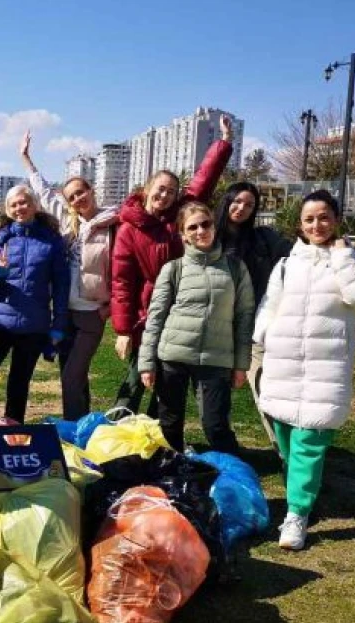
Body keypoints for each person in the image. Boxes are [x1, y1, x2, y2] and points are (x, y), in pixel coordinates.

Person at [253, 190, 355, 551]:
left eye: (323, 217)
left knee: (310, 439)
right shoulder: (287, 264)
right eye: (309, 219)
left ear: (336, 220)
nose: (316, 225)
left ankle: (297, 514)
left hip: (325, 367)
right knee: (287, 437)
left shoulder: (354, 260)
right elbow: (269, 306)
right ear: (300, 224)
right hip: (283, 361)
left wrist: (341, 256)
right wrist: (262, 338)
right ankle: (301, 495)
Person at [111, 115, 235, 415]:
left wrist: (224, 144)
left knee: (168, 373)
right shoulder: (130, 228)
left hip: (182, 307)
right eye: (160, 188)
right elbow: (122, 282)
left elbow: (203, 181)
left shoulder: (179, 216)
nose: (165, 195)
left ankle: (157, 429)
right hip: (148, 310)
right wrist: (124, 329)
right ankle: (118, 421)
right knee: (140, 369)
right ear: (147, 189)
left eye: (171, 191)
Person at [138, 202, 254, 453]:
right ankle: (169, 475)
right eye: (193, 227)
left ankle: (232, 479)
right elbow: (155, 317)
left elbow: (245, 318)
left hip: (216, 358)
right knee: (169, 424)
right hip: (173, 357)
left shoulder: (235, 268)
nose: (201, 231)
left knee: (216, 425)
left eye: (206, 224)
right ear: (183, 234)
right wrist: (146, 362)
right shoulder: (173, 269)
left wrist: (241, 364)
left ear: (214, 225)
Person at [20, 130, 119, 420]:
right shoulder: (67, 222)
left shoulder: (113, 224)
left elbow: (123, 269)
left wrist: (110, 305)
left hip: (92, 313)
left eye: (81, 192)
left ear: (92, 190)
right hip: (64, 311)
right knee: (71, 373)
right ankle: (80, 422)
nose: (78, 199)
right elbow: (43, 192)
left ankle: (73, 431)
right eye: (72, 196)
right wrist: (26, 158)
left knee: (72, 376)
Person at [213, 182, 293, 454]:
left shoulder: (264, 238)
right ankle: (225, 452)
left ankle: (284, 453)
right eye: (236, 201)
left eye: (249, 204)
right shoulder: (209, 238)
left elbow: (297, 255)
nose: (241, 208)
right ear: (226, 202)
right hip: (217, 330)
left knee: (266, 391)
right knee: (215, 398)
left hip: (254, 330)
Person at [0, 185, 69, 423]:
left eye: (24, 202)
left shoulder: (51, 241)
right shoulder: (0, 239)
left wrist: (58, 324)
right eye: (14, 204)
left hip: (34, 326)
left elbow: (61, 286)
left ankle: (13, 433)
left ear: (34, 205)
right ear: (7, 210)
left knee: (19, 386)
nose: (20, 208)